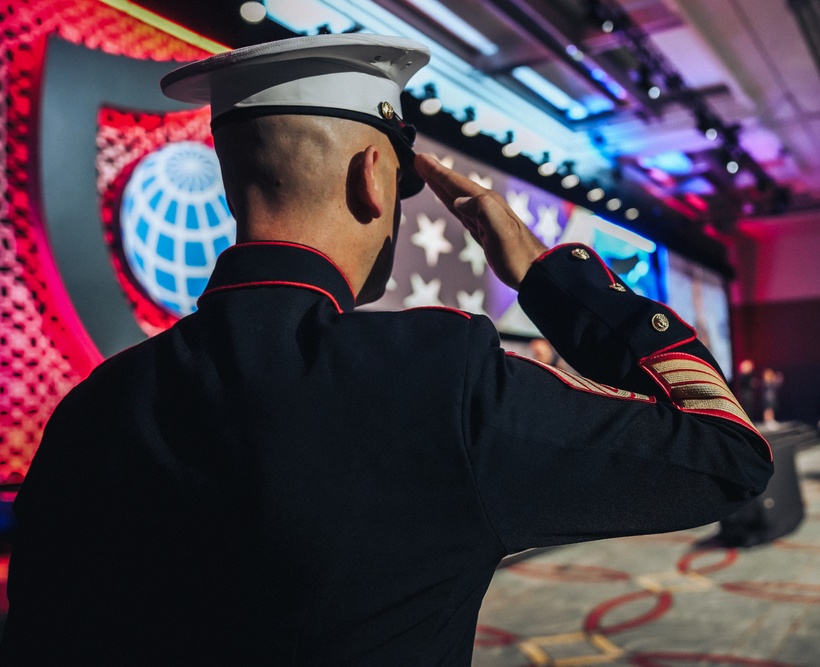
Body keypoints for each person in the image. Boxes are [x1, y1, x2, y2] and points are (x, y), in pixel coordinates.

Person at [0, 34, 772, 664]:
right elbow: (729, 455)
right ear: (376, 177)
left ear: (234, 188)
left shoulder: (93, 410)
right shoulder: (444, 383)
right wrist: (548, 276)